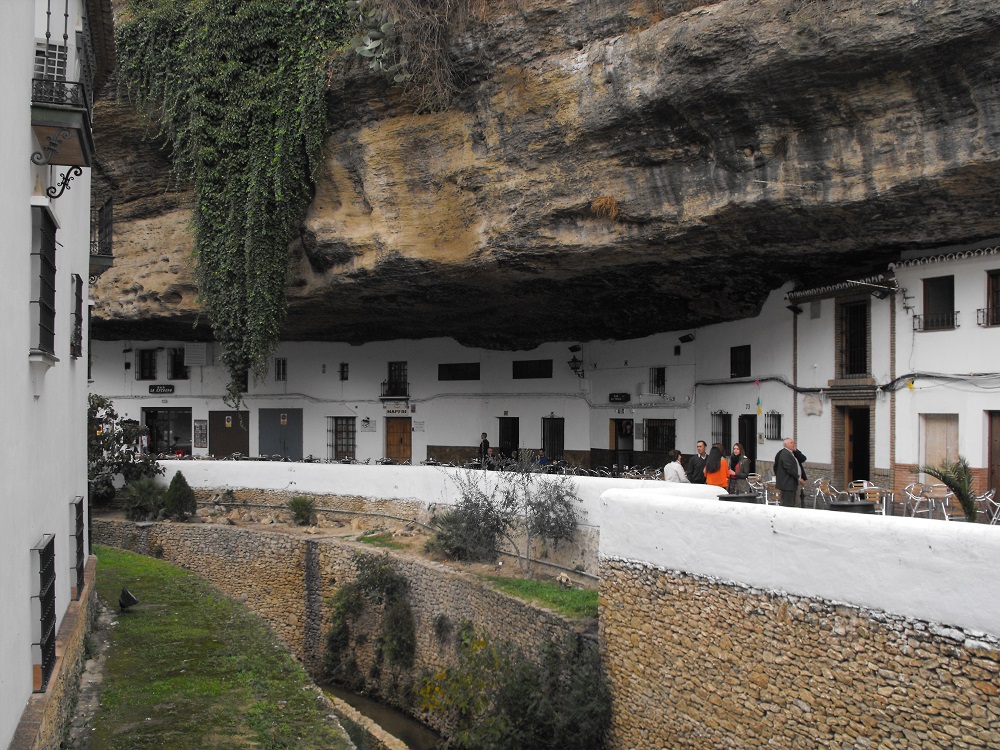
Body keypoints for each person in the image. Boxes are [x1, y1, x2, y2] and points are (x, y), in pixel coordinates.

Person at [774, 437, 807, 507]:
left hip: (792, 483)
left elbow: (803, 458)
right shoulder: (785, 454)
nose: (793, 444)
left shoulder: (791, 453)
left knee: (794, 502)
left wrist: (796, 451)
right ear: (785, 445)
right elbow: (789, 468)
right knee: (788, 504)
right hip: (787, 484)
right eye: (791, 443)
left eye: (793, 443)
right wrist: (799, 478)